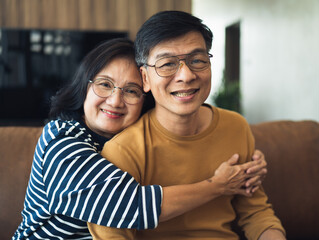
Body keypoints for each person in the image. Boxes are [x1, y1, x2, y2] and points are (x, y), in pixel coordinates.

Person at [12, 38, 268, 239]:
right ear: (84, 87)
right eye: (104, 84)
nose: (115, 101)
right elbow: (129, 204)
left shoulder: (135, 143)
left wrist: (246, 168)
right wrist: (218, 185)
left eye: (131, 91)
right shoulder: (62, 138)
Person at [88, 11, 286, 240]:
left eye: (197, 61)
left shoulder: (236, 127)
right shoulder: (124, 149)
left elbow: (256, 213)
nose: (186, 75)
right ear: (145, 79)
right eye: (167, 64)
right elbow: (112, 234)